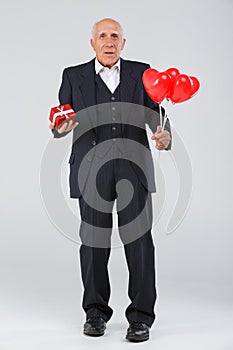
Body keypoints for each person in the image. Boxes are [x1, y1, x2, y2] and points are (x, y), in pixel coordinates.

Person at [49, 18, 171, 342]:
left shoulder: (141, 73)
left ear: (123, 42)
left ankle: (141, 318)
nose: (109, 41)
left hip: (134, 169)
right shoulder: (72, 76)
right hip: (91, 170)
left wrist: (165, 135)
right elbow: (60, 119)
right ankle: (95, 313)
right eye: (102, 36)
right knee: (93, 244)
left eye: (114, 36)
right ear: (92, 43)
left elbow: (158, 116)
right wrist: (59, 128)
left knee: (140, 243)